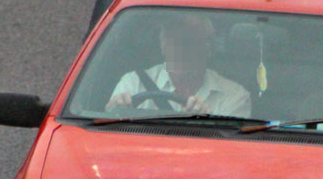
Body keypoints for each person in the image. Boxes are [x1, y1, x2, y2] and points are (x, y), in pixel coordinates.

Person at [106, 14, 251, 117]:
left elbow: (231, 153)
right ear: (162, 46)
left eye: (190, 42)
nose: (181, 49)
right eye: (174, 41)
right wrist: (114, 111)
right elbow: (106, 136)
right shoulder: (133, 84)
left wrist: (207, 123)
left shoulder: (234, 95)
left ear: (208, 49)